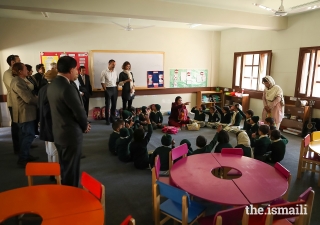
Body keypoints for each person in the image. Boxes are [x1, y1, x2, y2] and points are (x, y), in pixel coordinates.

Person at [47, 56, 90, 187]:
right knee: (71, 172)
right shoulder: (67, 87)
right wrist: (85, 126)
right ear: (71, 70)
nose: (77, 71)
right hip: (70, 135)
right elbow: (79, 111)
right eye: (76, 68)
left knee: (65, 168)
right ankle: (71, 200)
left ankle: (66, 195)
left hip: (59, 133)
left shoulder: (53, 84)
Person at [10, 62, 39, 167]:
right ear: (20, 71)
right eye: (25, 69)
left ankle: (25, 155)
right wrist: (40, 100)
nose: (27, 70)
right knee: (29, 135)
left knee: (24, 136)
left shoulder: (19, 80)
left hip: (25, 113)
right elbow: (28, 98)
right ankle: (23, 159)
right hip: (25, 113)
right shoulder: (17, 82)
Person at [38, 69, 59, 177]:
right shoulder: (53, 90)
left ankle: (50, 170)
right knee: (54, 150)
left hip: (43, 122)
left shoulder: (42, 89)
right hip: (51, 122)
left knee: (48, 149)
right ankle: (55, 174)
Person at [3, 55, 21, 154]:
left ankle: (24, 145)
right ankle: (17, 148)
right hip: (13, 103)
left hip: (21, 103)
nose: (20, 62)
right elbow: (15, 86)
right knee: (16, 126)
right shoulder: (7, 73)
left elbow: (29, 84)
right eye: (18, 60)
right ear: (13, 62)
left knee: (22, 126)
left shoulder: (18, 72)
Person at [101, 59, 118, 125]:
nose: (114, 66)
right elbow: (102, 82)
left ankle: (112, 118)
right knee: (107, 105)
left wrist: (117, 89)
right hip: (108, 89)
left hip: (114, 89)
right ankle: (107, 120)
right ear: (109, 64)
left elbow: (117, 81)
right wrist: (105, 90)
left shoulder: (115, 72)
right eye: (113, 64)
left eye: (115, 65)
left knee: (114, 105)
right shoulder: (104, 71)